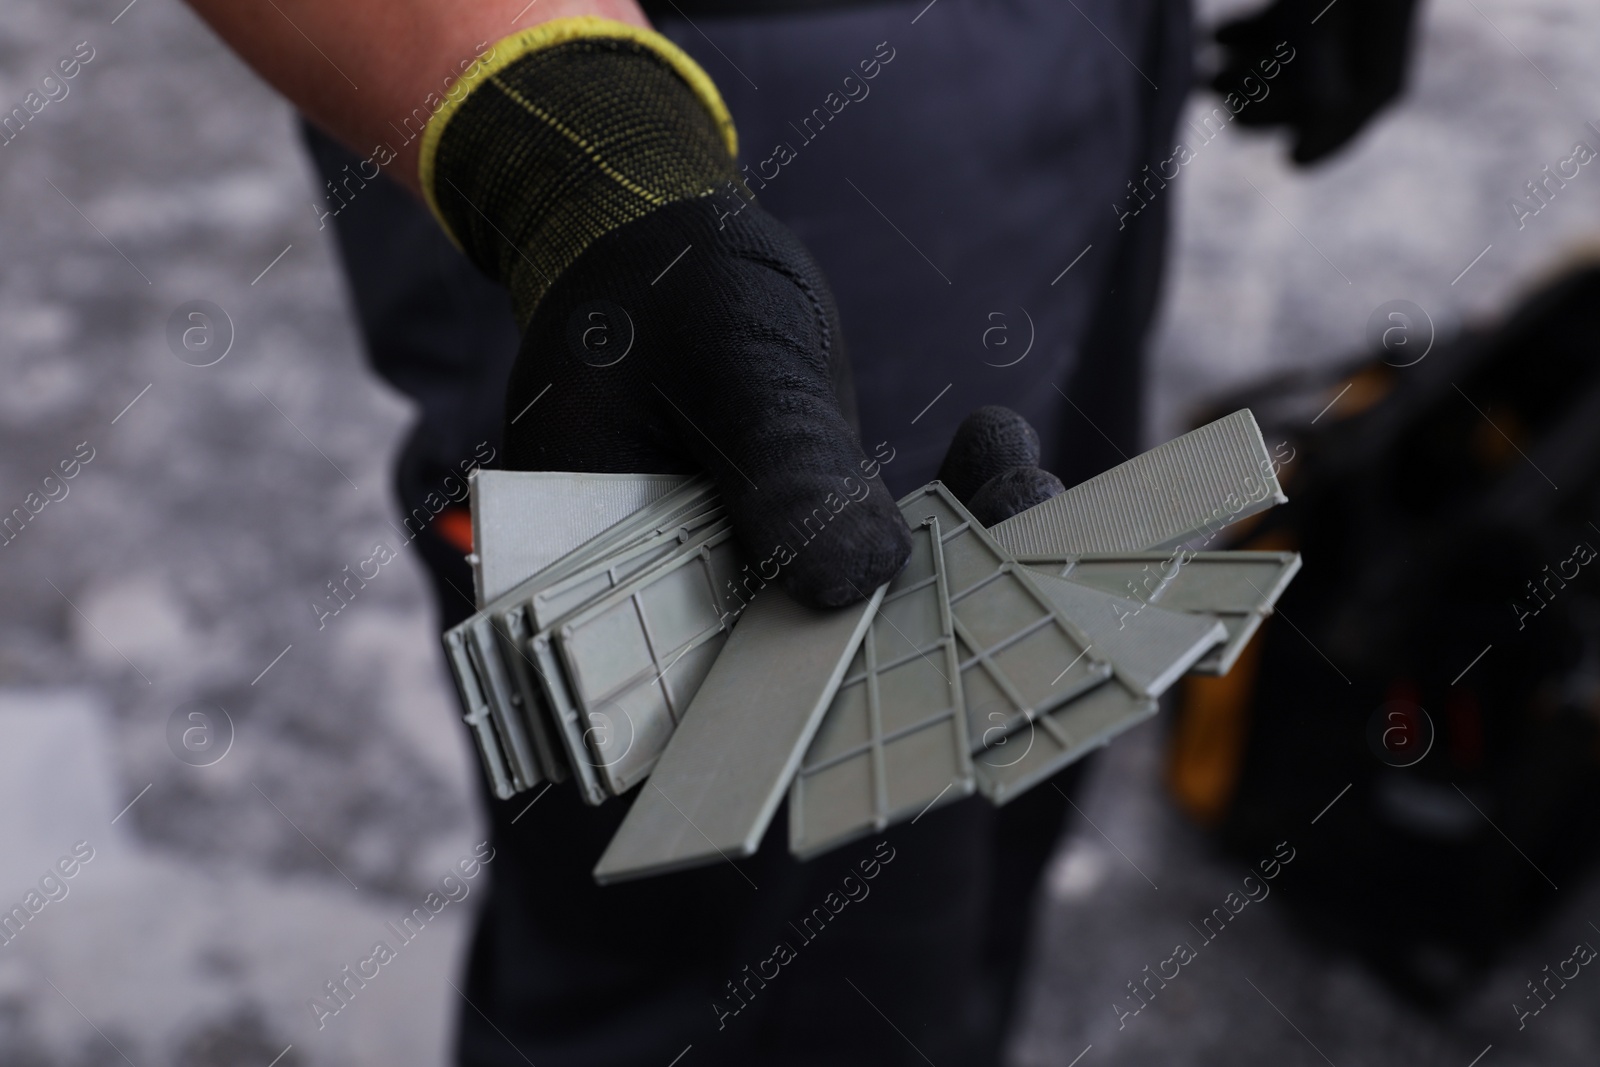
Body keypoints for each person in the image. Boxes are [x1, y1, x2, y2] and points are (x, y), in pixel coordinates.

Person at [179, 0, 1418, 1062]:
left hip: (1069, 68)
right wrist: (580, 165)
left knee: (983, 775)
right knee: (739, 935)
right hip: (696, 86)